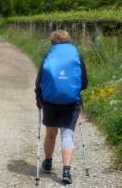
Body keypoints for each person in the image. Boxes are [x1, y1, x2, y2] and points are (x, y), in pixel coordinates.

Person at [35, 30, 88, 184]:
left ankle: (48, 162)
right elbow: (84, 83)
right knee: (67, 135)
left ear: (53, 42)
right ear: (68, 41)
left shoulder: (48, 56)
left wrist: (39, 98)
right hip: (71, 102)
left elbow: (39, 81)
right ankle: (66, 171)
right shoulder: (77, 55)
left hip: (50, 102)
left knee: (51, 133)